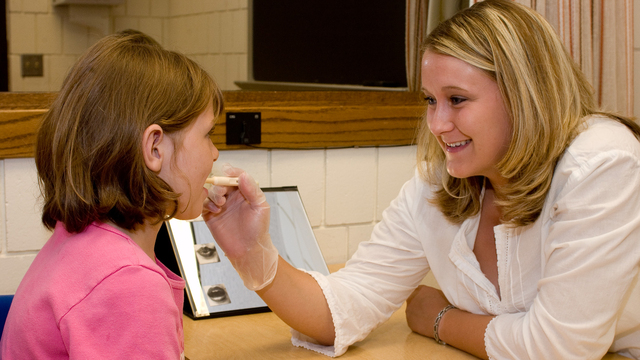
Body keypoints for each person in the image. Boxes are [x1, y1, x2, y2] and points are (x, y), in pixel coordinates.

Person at [202, 1, 640, 359]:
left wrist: (439, 318)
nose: (437, 123)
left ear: (525, 96)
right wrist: (256, 257)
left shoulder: (602, 163)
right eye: (431, 100)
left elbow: (560, 350)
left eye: (457, 100)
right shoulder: (440, 182)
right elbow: (346, 305)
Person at [0, 30, 224, 359]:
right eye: (208, 135)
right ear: (154, 148)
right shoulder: (127, 283)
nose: (215, 154)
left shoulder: (82, 244)